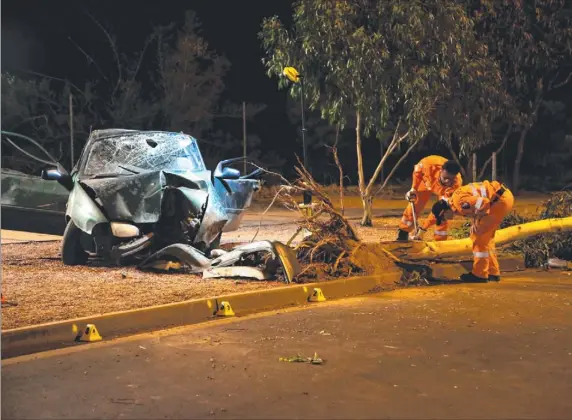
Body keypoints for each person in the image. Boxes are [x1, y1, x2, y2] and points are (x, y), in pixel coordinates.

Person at [430, 180, 515, 283]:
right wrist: (476, 220)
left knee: (477, 235)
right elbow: (477, 206)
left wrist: (477, 220)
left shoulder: (459, 203)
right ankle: (492, 272)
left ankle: (480, 274)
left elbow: (484, 203)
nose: (445, 220)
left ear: (445, 211)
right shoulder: (456, 200)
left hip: (499, 201)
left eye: (443, 218)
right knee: (486, 238)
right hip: (502, 198)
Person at [397, 156, 462, 241]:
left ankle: (440, 240)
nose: (447, 182)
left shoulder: (456, 184)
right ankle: (403, 233)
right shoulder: (427, 165)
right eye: (445, 178)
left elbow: (438, 210)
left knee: (442, 212)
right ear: (441, 170)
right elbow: (417, 173)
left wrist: (423, 229)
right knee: (415, 202)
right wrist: (413, 188)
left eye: (451, 179)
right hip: (427, 182)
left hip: (444, 191)